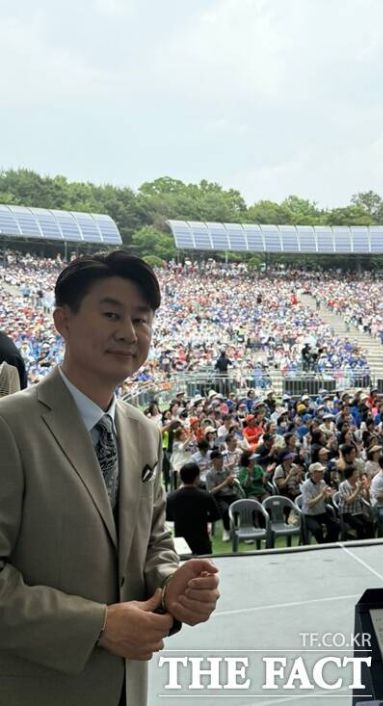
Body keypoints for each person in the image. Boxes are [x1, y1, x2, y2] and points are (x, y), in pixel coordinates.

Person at [0, 252, 219, 706]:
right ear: (63, 320)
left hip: (127, 687)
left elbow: (154, 541)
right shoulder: (10, 426)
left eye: (141, 319)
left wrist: (172, 586)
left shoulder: (144, 431)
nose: (129, 333)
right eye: (111, 314)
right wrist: (97, 626)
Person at [166, 461, 220, 555]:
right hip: (201, 541)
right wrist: (204, 518)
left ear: (181, 477)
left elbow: (167, 516)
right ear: (197, 478)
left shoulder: (171, 497)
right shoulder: (205, 496)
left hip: (181, 541)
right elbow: (216, 515)